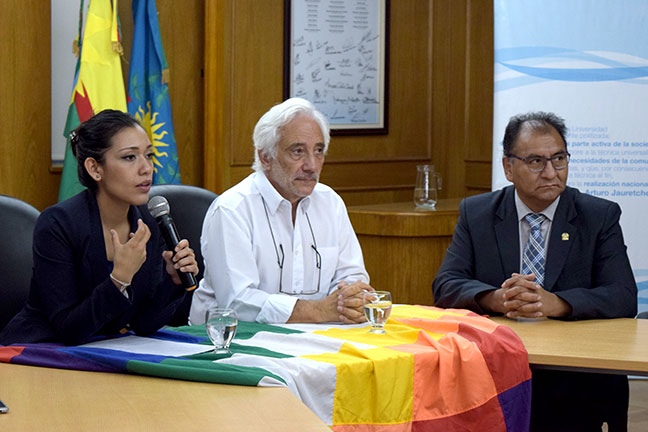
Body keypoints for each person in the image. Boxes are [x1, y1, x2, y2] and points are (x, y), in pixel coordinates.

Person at [433, 112, 637, 431]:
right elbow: (446, 285)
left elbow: (623, 296)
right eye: (536, 161)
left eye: (559, 159)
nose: (551, 172)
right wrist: (497, 299)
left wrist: (556, 303)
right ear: (508, 167)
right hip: (494, 368)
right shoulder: (477, 214)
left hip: (573, 375)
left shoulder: (598, 216)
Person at [0, 110, 198, 346]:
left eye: (149, 155)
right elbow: (68, 329)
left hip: (107, 349)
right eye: (129, 157)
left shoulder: (148, 221)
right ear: (95, 168)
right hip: (41, 351)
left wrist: (172, 280)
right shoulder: (58, 224)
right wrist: (120, 278)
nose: (146, 168)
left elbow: (144, 323)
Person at [190, 98, 372, 325]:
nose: (312, 166)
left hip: (317, 335)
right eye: (298, 151)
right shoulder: (232, 209)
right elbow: (238, 301)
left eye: (318, 151)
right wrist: (316, 311)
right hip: (233, 342)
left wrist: (349, 298)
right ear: (266, 157)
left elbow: (351, 276)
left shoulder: (330, 202)